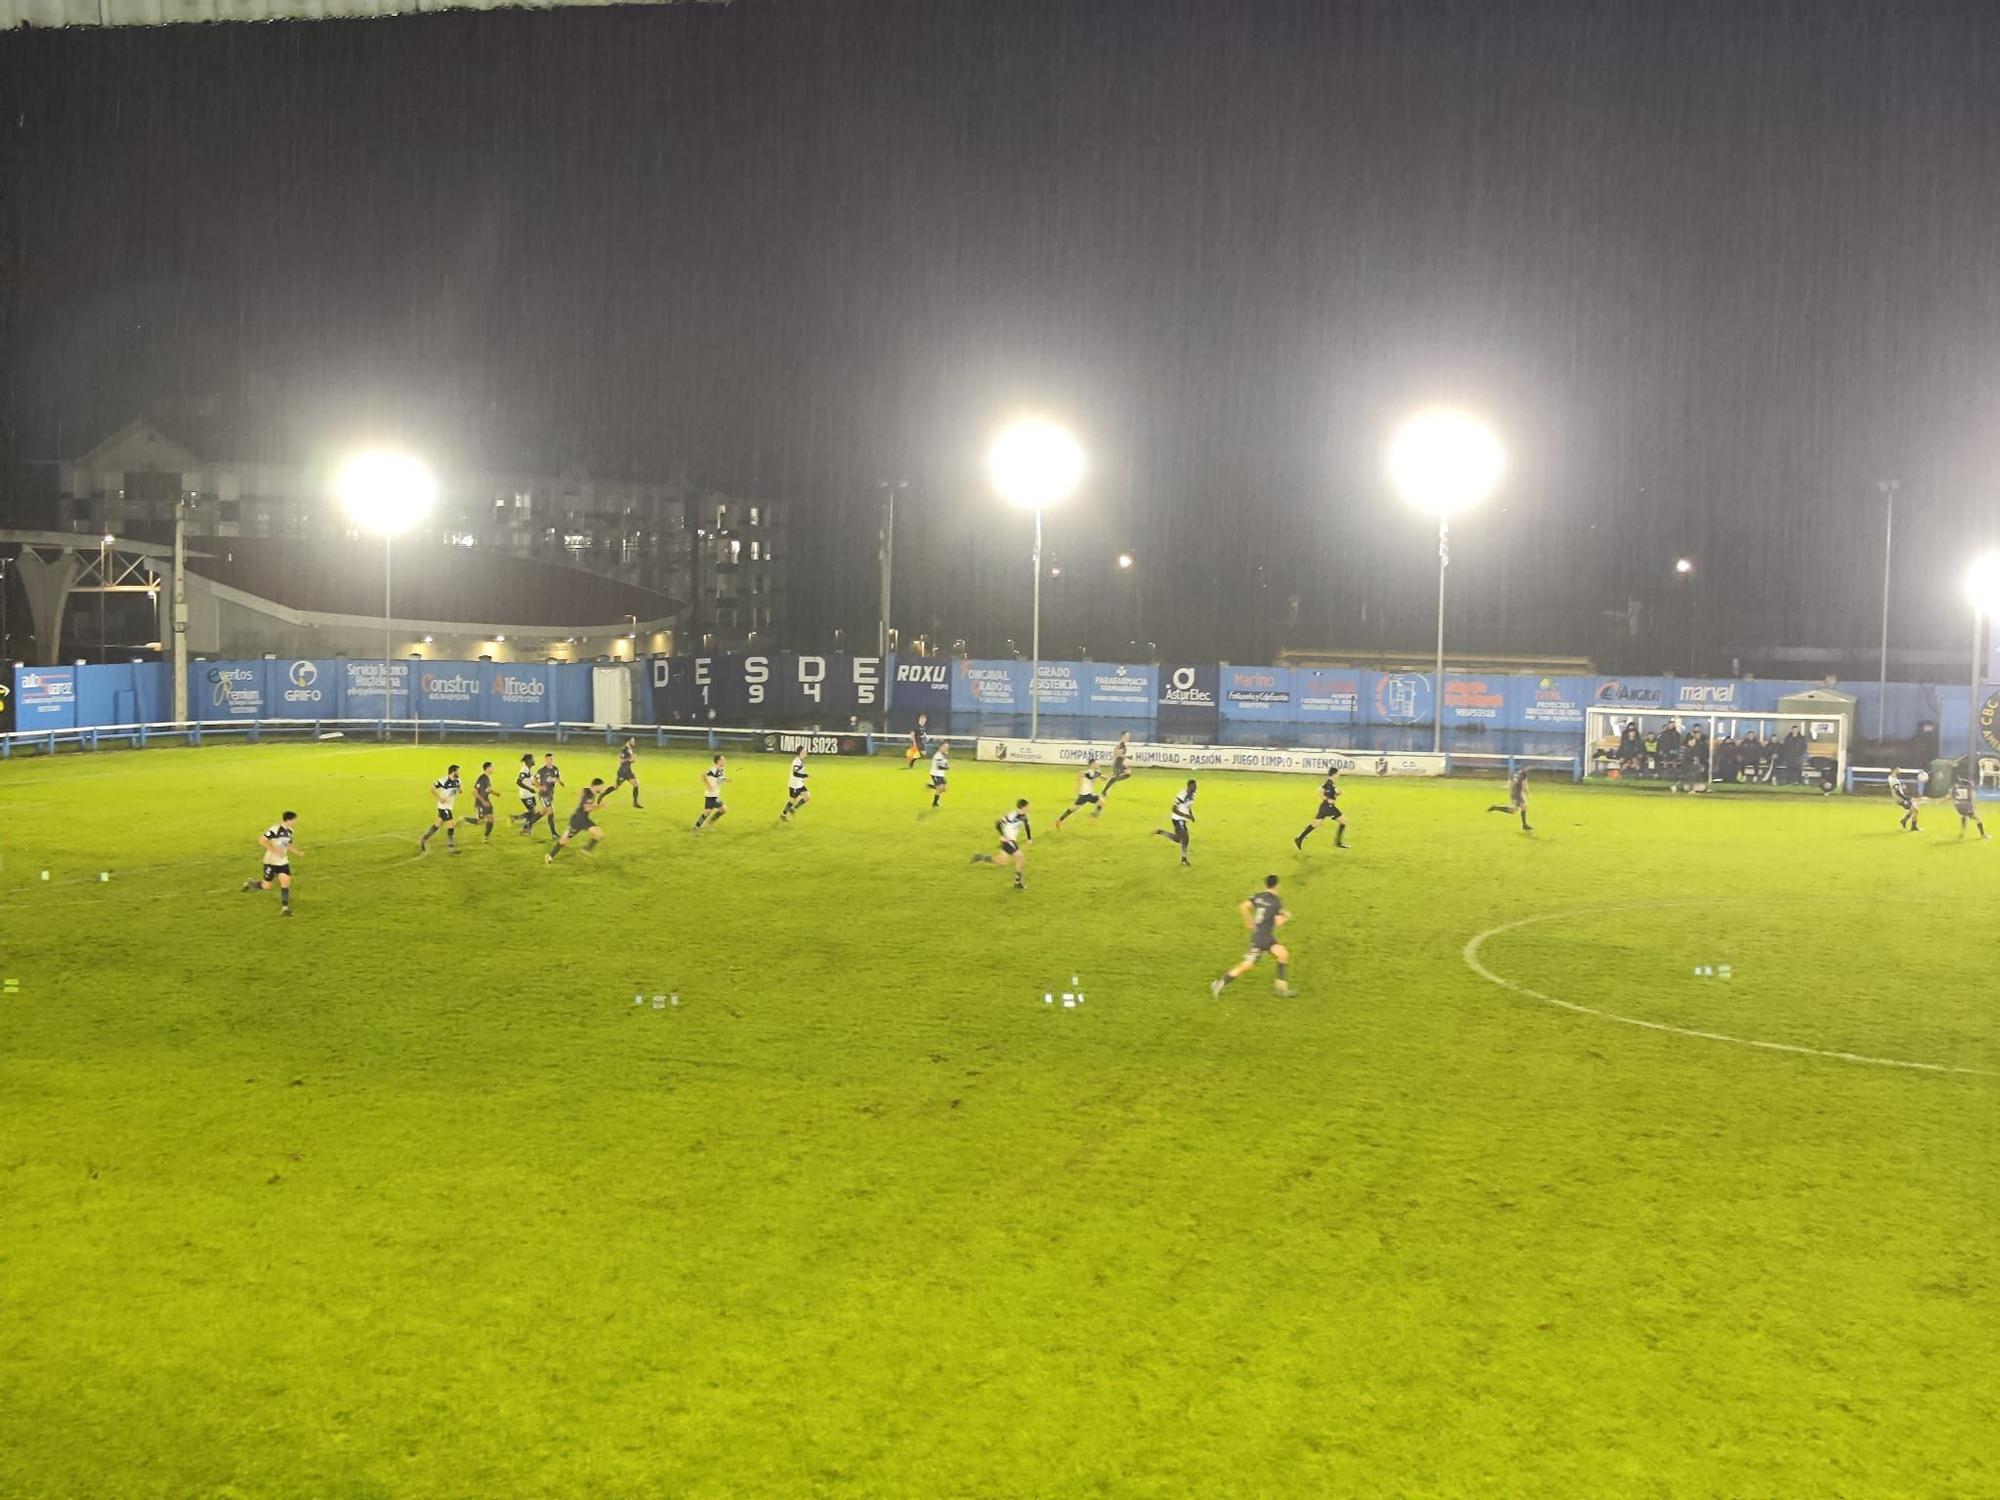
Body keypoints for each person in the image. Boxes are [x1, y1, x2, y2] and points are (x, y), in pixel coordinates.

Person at [1210, 875, 1293, 998]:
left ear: (1266, 884)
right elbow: (1279, 922)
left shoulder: (1258, 896)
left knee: (1283, 954)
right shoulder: (1276, 901)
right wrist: (1286, 916)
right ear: (1276, 885)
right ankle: (1219, 983)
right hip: (1262, 939)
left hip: (1263, 936)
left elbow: (1243, 906)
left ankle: (1281, 989)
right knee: (1246, 965)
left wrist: (1248, 921)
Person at [240, 811, 299, 916]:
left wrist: (296, 852)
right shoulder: (274, 829)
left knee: (285, 883)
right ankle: (250, 883)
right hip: (271, 862)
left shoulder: (290, 831)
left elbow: (286, 843)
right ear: (289, 820)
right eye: (294, 820)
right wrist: (274, 850)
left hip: (283, 862)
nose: (295, 822)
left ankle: (285, 908)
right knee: (266, 886)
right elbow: (262, 841)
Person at [971, 797, 1032, 889]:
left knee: (1001, 861)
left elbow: (1027, 826)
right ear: (1023, 807)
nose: (1029, 808)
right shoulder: (1012, 815)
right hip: (1008, 840)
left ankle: (980, 857)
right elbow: (998, 824)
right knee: (1020, 858)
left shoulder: (1024, 816)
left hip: (1010, 840)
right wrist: (1004, 835)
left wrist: (1029, 838)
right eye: (1027, 806)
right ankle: (1018, 883)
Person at [547, 777, 607, 862]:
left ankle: (586, 849)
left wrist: (581, 795)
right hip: (577, 821)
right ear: (596, 786)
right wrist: (600, 807)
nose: (602, 788)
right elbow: (587, 808)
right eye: (601, 786)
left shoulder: (589, 791)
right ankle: (550, 856)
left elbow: (581, 790)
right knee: (564, 840)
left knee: (599, 834)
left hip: (585, 819)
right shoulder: (589, 795)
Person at [1294, 765, 1348, 850]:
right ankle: (1338, 842)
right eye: (1338, 774)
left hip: (1327, 807)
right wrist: (1327, 800)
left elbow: (1329, 794)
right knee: (1343, 821)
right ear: (1334, 774)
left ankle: (1299, 839)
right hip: (1328, 807)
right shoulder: (1328, 783)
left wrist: (1337, 793)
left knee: (1316, 824)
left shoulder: (1331, 783)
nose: (1339, 775)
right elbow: (1319, 792)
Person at [418, 764, 461, 854]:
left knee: (437, 825)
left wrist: (459, 789)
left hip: (449, 807)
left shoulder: (458, 781)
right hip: (443, 807)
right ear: (453, 772)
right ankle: (451, 848)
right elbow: (432, 789)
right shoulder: (443, 780)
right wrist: (440, 798)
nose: (459, 772)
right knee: (451, 825)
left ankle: (424, 838)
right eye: (458, 771)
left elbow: (459, 790)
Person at [1152, 778, 1197, 866]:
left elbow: (1188, 806)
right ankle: (1184, 860)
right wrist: (1185, 815)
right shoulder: (1181, 795)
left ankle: (1161, 832)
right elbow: (1174, 809)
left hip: (1183, 819)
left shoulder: (1193, 795)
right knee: (1184, 838)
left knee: (1180, 839)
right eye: (1194, 786)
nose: (1196, 788)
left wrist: (1191, 815)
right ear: (1189, 786)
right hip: (1177, 819)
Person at [1054, 759, 1104, 827]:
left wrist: (1106, 776)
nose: (1097, 765)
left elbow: (1102, 778)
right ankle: (1093, 816)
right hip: (1085, 795)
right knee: (1101, 802)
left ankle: (1059, 820)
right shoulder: (1088, 771)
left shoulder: (1095, 772)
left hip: (1086, 794)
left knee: (1073, 808)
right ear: (1092, 764)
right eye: (1096, 763)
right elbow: (1081, 774)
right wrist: (1077, 786)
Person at [1487, 766, 1532, 831]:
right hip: (1517, 795)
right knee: (1524, 807)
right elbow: (1524, 786)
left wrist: (1511, 791)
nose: (1528, 770)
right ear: (1524, 769)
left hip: (1514, 794)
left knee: (1513, 811)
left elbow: (1510, 782)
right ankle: (1524, 825)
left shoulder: (1515, 774)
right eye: (1527, 769)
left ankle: (1495, 807)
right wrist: (1528, 794)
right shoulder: (1523, 775)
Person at [692, 753, 729, 830]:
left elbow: (720, 778)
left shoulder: (721, 769)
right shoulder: (713, 770)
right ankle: (705, 825)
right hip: (711, 796)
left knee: (708, 812)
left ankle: (698, 826)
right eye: (723, 760)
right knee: (722, 810)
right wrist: (708, 785)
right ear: (718, 761)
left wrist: (726, 780)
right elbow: (703, 775)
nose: (725, 761)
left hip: (715, 795)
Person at [532, 752, 563, 837]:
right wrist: (540, 786)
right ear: (545, 760)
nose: (550, 761)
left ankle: (528, 824)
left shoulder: (555, 769)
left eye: (551, 759)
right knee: (550, 811)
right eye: (548, 759)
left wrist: (560, 782)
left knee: (543, 812)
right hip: (543, 794)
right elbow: (534, 780)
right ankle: (554, 834)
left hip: (550, 794)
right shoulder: (542, 771)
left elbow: (557, 777)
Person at [1101, 731, 1134, 802]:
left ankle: (1110, 779)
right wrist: (1128, 757)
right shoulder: (1120, 744)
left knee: (1128, 774)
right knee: (1119, 776)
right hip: (1118, 764)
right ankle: (1104, 791)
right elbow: (1117, 754)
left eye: (1129, 736)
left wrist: (1125, 761)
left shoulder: (1123, 745)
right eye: (1127, 736)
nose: (1128, 737)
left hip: (1121, 763)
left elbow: (1118, 754)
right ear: (1123, 736)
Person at [780, 747, 811, 820]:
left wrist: (803, 779)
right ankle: (783, 814)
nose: (806, 752)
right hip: (794, 785)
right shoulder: (797, 762)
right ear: (801, 752)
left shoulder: (801, 761)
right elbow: (795, 774)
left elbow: (800, 772)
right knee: (792, 800)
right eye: (804, 751)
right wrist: (806, 775)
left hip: (799, 783)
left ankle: (793, 809)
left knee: (807, 797)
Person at [470, 760, 497, 839]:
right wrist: (483, 801)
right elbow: (474, 792)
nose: (493, 769)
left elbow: (488, 789)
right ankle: (463, 819)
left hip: (486, 801)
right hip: (481, 803)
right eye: (492, 767)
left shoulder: (487, 778)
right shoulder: (482, 778)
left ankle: (485, 837)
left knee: (491, 819)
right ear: (487, 768)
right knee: (480, 821)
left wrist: (495, 793)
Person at [513, 753, 540, 833]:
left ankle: (518, 820)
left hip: (529, 794)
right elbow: (518, 782)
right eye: (532, 759)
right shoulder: (524, 770)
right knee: (533, 813)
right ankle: (526, 829)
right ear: (528, 761)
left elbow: (528, 781)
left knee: (532, 812)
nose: (534, 760)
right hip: (525, 795)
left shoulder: (528, 770)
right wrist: (529, 789)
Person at [1889, 767, 1921, 832]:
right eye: (1898, 768)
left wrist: (1901, 786)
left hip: (1899, 798)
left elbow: (1896, 788)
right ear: (1894, 770)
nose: (1899, 769)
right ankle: (1913, 826)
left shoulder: (1892, 778)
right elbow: (1898, 793)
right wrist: (1908, 798)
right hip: (1900, 799)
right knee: (1915, 809)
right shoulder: (1893, 780)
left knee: (1914, 808)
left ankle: (1904, 821)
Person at [615, 738, 644, 808]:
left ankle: (635, 803)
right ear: (628, 741)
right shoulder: (624, 750)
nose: (634, 742)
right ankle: (602, 795)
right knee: (615, 787)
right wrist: (630, 759)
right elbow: (621, 761)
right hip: (622, 771)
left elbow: (630, 761)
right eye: (632, 740)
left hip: (628, 771)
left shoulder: (630, 749)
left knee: (636, 785)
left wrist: (633, 760)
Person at [927, 741, 950, 809]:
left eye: (947, 747)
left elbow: (945, 763)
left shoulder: (944, 754)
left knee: (944, 789)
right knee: (940, 788)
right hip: (935, 774)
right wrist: (948, 767)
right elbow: (939, 767)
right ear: (940, 747)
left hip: (941, 774)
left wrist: (946, 764)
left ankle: (931, 786)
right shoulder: (938, 755)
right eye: (944, 747)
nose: (946, 748)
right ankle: (935, 803)